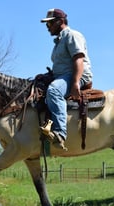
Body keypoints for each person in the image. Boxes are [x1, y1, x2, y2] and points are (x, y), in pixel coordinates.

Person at [40, 8, 93, 150]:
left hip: (77, 74)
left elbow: (78, 59)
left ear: (60, 22)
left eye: (50, 23)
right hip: (63, 75)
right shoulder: (58, 41)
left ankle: (60, 133)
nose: (47, 27)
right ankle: (46, 127)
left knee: (54, 90)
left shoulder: (72, 35)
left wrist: (76, 82)